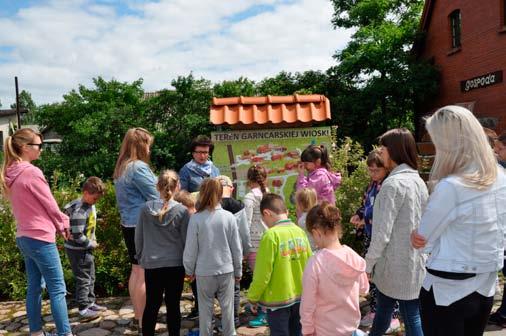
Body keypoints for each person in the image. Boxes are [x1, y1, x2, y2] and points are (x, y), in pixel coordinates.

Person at [410, 106, 506, 336]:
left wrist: (421, 238)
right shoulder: (501, 177)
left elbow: (423, 238)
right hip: (485, 285)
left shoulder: (452, 186)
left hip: (447, 289)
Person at [0, 128, 73, 336]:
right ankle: (65, 333)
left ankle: (36, 333)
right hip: (40, 238)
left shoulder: (10, 172)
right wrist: (63, 224)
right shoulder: (31, 172)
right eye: (38, 146)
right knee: (57, 289)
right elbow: (49, 204)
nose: (41, 149)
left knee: (33, 287)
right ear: (25, 147)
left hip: (24, 237)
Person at [365, 128, 428, 336]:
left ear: (394, 150)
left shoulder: (392, 185)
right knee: (387, 309)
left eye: (383, 148)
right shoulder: (418, 180)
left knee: (411, 318)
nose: (380, 152)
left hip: (394, 266)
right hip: (414, 262)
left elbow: (381, 233)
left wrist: (367, 265)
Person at [183, 178, 243, 336]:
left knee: (205, 312)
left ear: (201, 194)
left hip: (204, 271)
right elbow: (236, 248)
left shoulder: (196, 219)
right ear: (220, 193)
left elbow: (190, 249)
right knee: (228, 311)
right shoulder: (229, 217)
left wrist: (189, 270)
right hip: (226, 269)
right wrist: (238, 272)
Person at [247, 193, 313, 336]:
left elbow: (262, 274)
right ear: (286, 212)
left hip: (277, 301)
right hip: (300, 296)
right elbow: (310, 264)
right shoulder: (300, 232)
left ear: (266, 213)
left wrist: (252, 297)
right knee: (298, 332)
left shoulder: (270, 236)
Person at [300, 202, 369, 336]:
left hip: (324, 330)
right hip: (350, 329)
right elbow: (364, 289)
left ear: (317, 232)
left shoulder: (315, 263)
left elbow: (307, 304)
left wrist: (307, 330)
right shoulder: (352, 256)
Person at [113, 127, 159, 329]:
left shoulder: (122, 166)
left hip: (129, 224)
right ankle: (144, 321)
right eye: (148, 145)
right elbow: (157, 196)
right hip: (142, 225)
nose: (150, 150)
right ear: (141, 145)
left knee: (136, 270)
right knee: (143, 273)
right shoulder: (138, 167)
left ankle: (139, 316)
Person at [350, 149, 400, 331]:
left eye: (376, 170)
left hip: (382, 238)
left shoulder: (388, 186)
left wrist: (367, 219)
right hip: (369, 237)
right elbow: (365, 205)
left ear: (386, 168)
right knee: (371, 275)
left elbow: (382, 213)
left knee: (385, 276)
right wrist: (358, 215)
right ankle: (375, 309)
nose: (373, 174)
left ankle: (392, 315)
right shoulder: (371, 186)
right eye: (370, 170)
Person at [135, 170, 190, 336]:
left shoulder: (145, 209)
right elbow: (186, 240)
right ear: (177, 186)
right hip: (175, 264)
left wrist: (141, 257)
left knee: (152, 304)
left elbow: (139, 237)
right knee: (173, 305)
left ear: (157, 186)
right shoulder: (182, 211)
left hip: (152, 264)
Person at [64, 176, 106, 319]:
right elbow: (77, 235)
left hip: (85, 249)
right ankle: (83, 308)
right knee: (83, 279)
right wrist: (91, 244)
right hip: (78, 250)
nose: (96, 201)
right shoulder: (80, 211)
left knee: (91, 276)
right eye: (95, 198)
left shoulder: (89, 205)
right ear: (86, 193)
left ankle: (90, 302)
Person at [217, 175, 252, 327]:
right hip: (232, 254)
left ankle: (211, 321)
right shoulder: (238, 206)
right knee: (234, 289)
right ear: (231, 188)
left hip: (212, 255)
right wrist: (245, 250)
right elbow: (244, 232)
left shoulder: (209, 204)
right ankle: (233, 320)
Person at [243, 165, 269, 327]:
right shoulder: (269, 194)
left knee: (259, 279)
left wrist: (244, 248)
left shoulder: (249, 197)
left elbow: (245, 223)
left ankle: (265, 313)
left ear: (248, 180)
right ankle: (262, 307)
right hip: (269, 241)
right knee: (267, 278)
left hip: (254, 244)